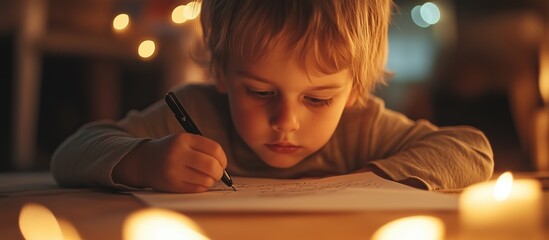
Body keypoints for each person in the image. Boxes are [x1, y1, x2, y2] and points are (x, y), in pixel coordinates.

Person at [51, 0, 494, 193]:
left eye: (318, 99)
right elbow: (70, 154)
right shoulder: (199, 112)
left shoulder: (363, 125)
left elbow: (471, 150)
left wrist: (366, 181)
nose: (287, 120)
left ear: (354, 89)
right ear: (221, 72)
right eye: (260, 91)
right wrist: (142, 160)